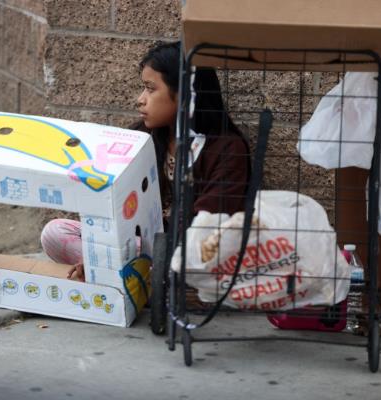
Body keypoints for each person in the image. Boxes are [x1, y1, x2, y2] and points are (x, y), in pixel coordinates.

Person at [41, 41, 250, 280]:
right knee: (55, 233)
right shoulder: (143, 137)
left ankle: (128, 277)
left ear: (185, 96)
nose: (140, 100)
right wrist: (98, 251)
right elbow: (113, 203)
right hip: (144, 247)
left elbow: (210, 227)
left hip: (194, 249)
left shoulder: (226, 148)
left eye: (150, 89)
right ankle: (126, 275)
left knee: (191, 257)